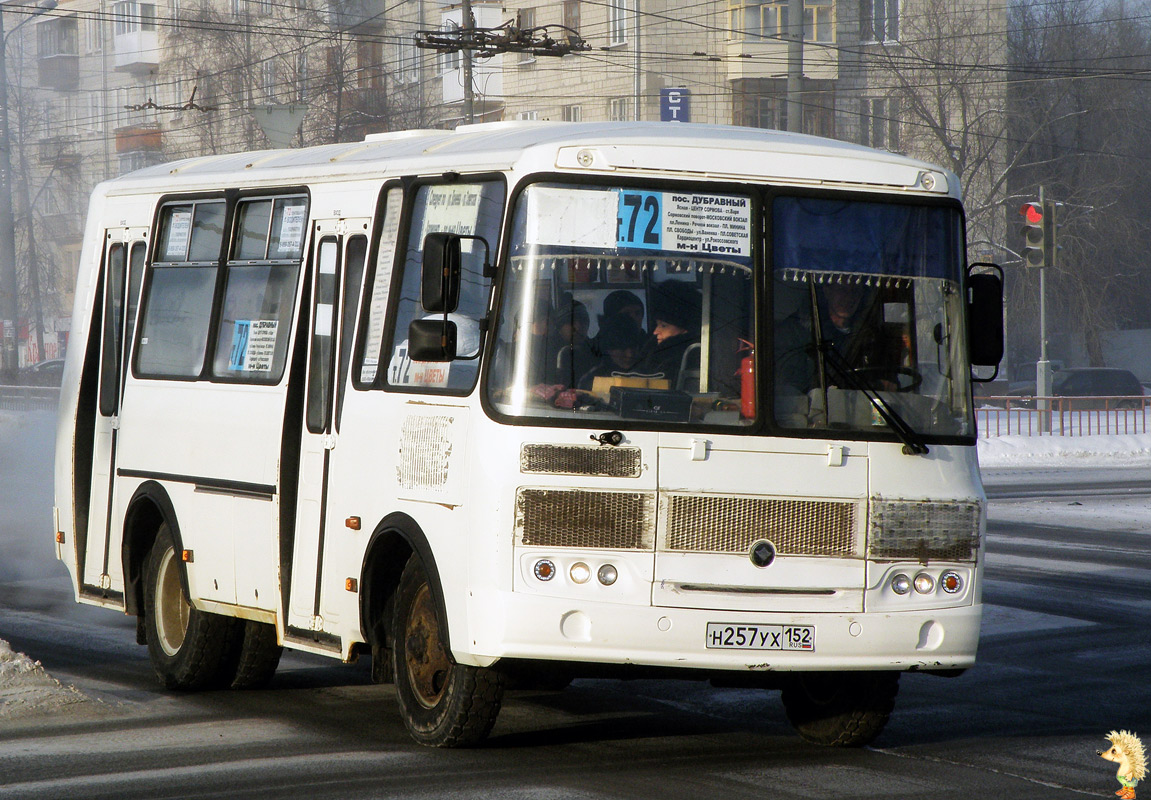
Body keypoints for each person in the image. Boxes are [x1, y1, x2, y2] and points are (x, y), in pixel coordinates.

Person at [635, 280, 701, 389]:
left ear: (685, 329)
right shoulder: (652, 349)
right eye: (657, 324)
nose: (656, 332)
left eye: (664, 326)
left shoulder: (685, 356)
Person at [577, 314, 647, 390]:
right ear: (608, 349)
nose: (629, 354)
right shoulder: (592, 381)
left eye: (634, 347)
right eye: (622, 349)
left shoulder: (651, 376)